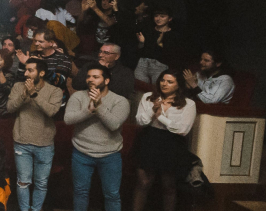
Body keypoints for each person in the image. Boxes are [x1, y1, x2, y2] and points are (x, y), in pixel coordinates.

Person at [64, 63, 131, 211]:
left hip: (110, 155)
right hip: (81, 153)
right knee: (80, 193)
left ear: (106, 80)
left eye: (95, 77)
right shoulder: (78, 96)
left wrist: (99, 107)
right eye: (88, 76)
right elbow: (68, 119)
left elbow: (114, 125)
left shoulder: (120, 101)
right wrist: (89, 111)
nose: (90, 80)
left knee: (112, 195)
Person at [133, 70, 197, 211]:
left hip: (172, 143)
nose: (164, 84)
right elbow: (140, 121)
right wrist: (153, 111)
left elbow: (183, 129)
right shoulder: (148, 97)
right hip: (149, 139)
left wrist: (161, 117)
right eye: (162, 80)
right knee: (143, 182)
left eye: (170, 81)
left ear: (178, 85)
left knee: (169, 186)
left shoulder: (188, 103)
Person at [6, 57, 61, 211]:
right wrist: (25, 94)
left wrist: (34, 95)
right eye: (25, 70)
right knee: (23, 181)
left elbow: (52, 111)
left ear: (41, 73)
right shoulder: (18, 87)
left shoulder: (54, 91)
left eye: (30, 70)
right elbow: (9, 107)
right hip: (22, 142)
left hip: (44, 144)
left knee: (41, 183)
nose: (26, 74)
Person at [71, 43, 135, 104]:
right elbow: (76, 85)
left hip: (111, 104)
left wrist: (105, 73)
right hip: (88, 100)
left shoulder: (126, 73)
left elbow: (122, 93)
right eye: (100, 52)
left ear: (116, 56)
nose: (101, 55)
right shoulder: (89, 66)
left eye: (106, 53)